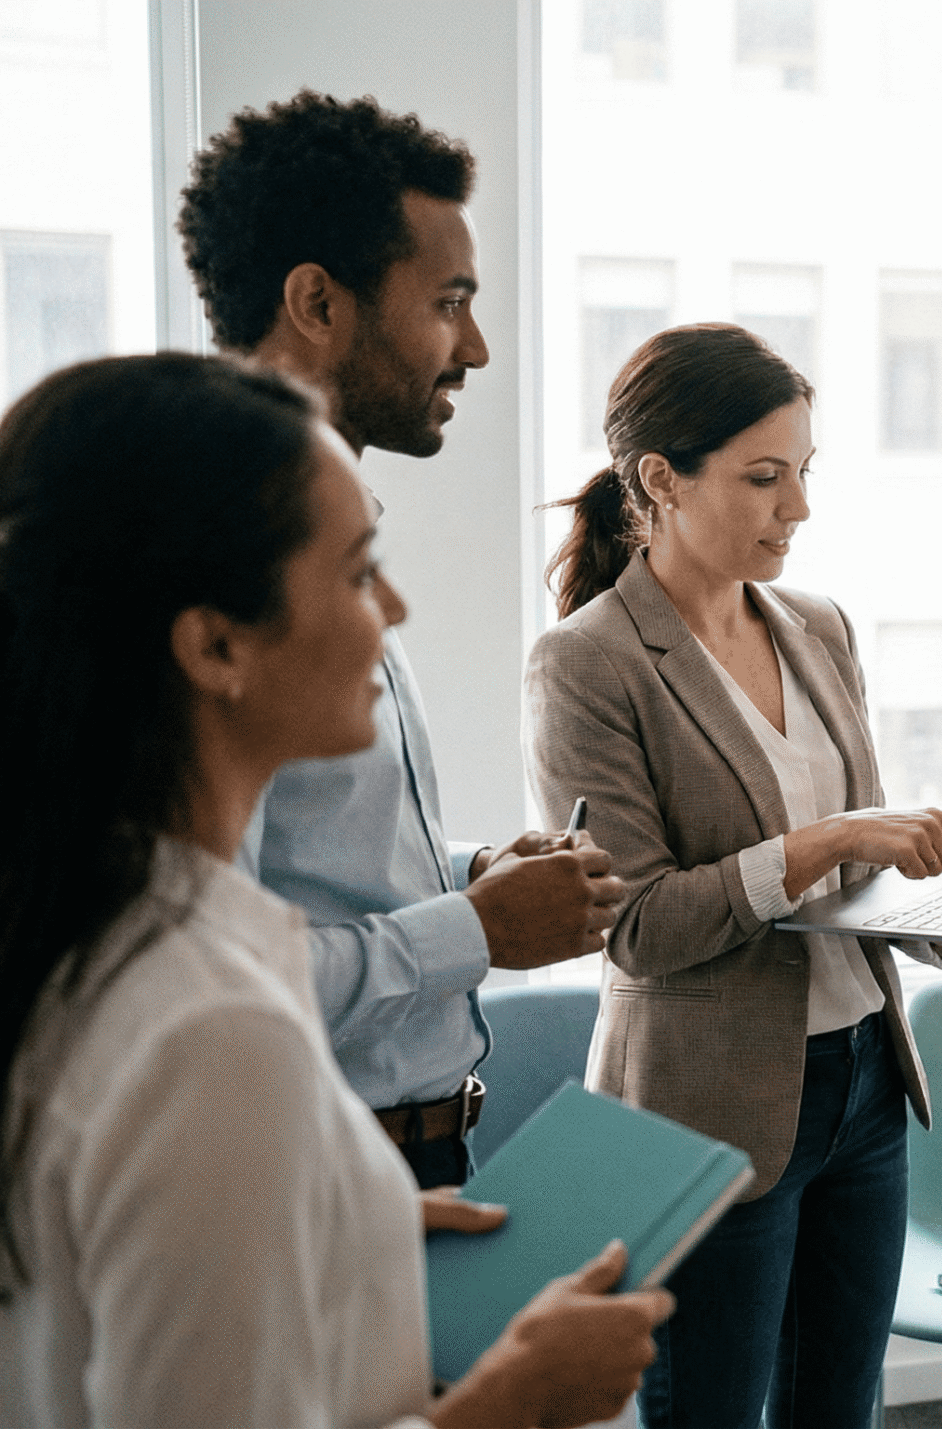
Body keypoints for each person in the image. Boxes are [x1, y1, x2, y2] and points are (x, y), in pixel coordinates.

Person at [0, 353, 671, 1427]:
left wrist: (342, 1230)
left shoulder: (85, 931)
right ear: (216, 643)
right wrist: (513, 1400)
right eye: (360, 572)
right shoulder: (212, 1033)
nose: (393, 609)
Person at [525, 323, 942, 1425]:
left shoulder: (819, 629)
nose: (799, 508)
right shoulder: (587, 663)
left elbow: (858, 895)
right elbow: (632, 925)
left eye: (804, 474)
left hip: (864, 1088)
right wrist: (826, 842)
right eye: (764, 477)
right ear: (659, 480)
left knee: (841, 1409)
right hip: (707, 1109)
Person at [177, 90, 625, 1186]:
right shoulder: (213, 570)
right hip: (313, 1165)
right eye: (449, 301)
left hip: (409, 1155)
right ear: (317, 302)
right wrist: (473, 929)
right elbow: (205, 967)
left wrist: (474, 871)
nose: (472, 347)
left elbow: (314, 860)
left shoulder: (325, 536)